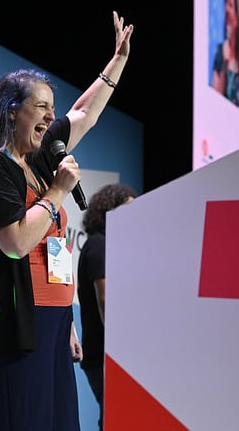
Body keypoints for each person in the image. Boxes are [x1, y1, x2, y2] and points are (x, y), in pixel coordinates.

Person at [0, 10, 133, 431]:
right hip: (16, 323)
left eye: (50, 109)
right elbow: (16, 242)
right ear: (11, 110)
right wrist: (56, 192)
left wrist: (118, 62)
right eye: (40, 107)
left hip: (53, 322)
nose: (49, 116)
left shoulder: (36, 160)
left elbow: (83, 114)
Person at [76, 183, 137, 431]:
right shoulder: (99, 245)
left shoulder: (106, 245)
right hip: (104, 355)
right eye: (128, 210)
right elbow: (105, 300)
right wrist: (119, 350)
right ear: (109, 211)